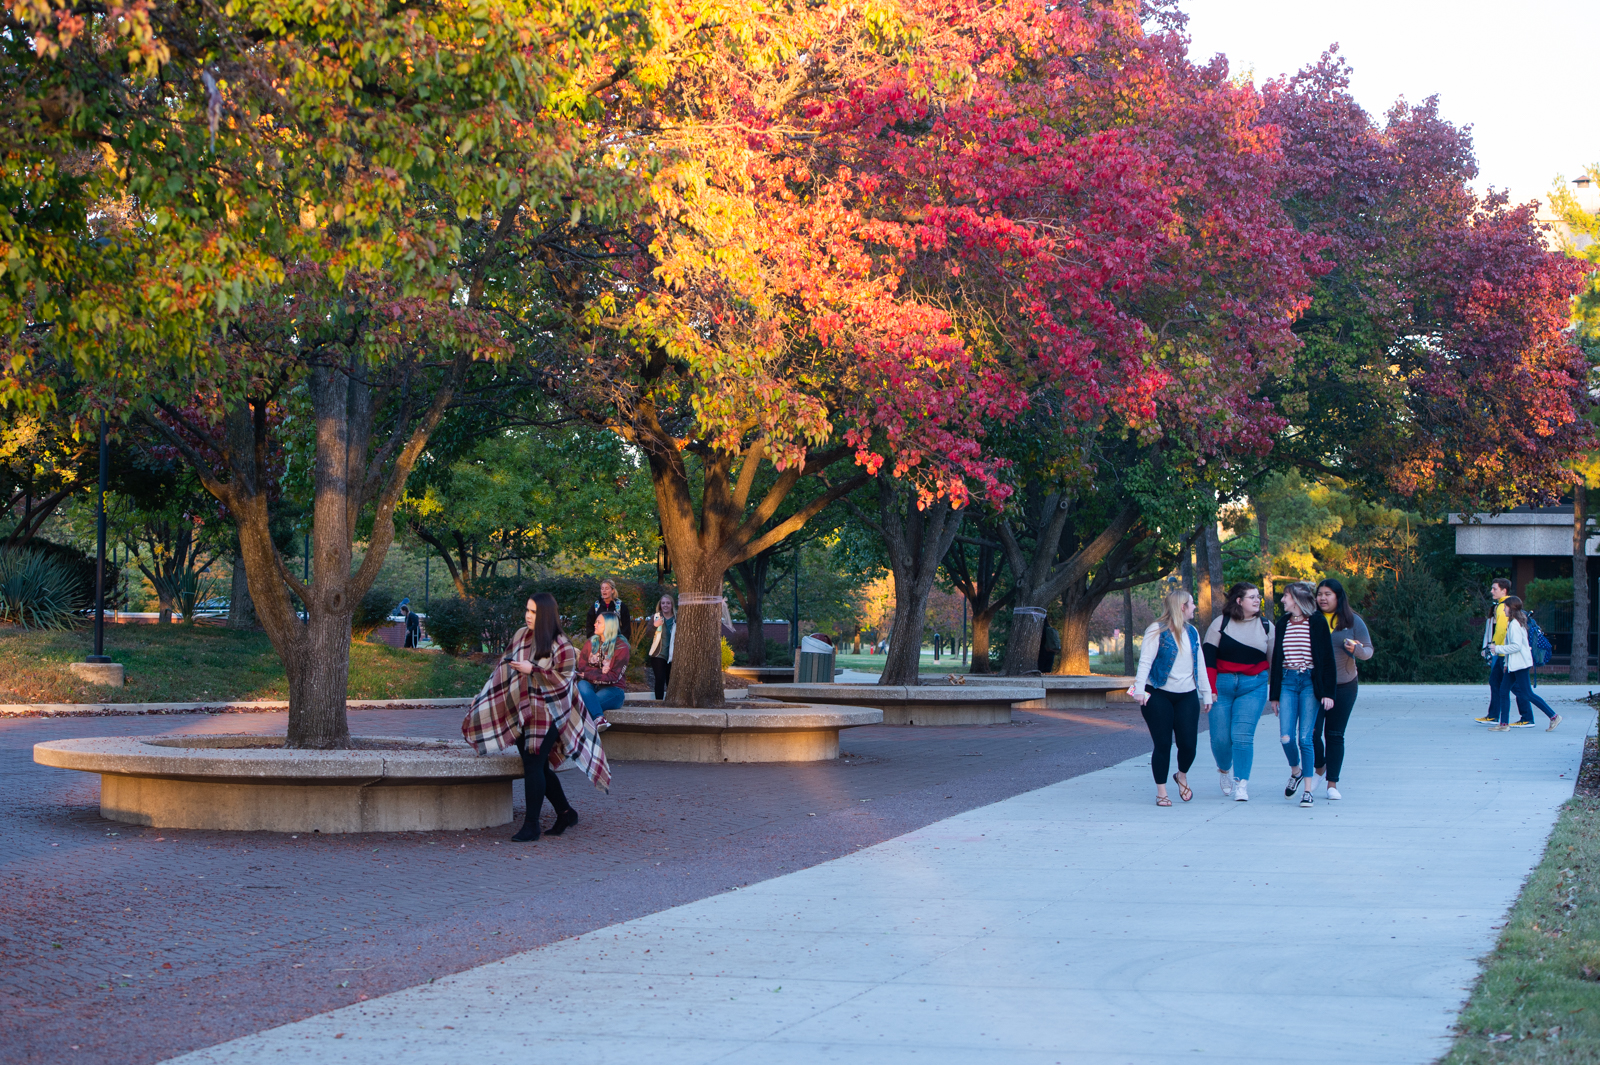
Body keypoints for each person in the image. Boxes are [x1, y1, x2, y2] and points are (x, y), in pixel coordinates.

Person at [461, 592, 609, 842]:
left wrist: (534, 670)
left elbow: (564, 681)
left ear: (546, 615)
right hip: (523, 710)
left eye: (534, 612)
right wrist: (486, 696)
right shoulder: (521, 635)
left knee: (532, 764)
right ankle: (565, 813)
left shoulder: (561, 645)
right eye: (527, 610)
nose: (528, 616)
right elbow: (503, 669)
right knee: (537, 766)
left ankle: (532, 826)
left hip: (550, 713)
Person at [1129, 589, 1214, 807]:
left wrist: (1206, 693)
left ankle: (1181, 775)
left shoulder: (1192, 632)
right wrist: (1139, 688)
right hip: (1158, 692)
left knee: (1189, 745)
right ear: (1182, 607)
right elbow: (1145, 661)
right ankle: (1162, 791)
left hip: (1187, 694)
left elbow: (1200, 664)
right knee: (1163, 743)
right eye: (1192, 603)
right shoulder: (1157, 630)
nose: (1195, 607)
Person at [1202, 582, 1273, 802]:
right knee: (1220, 739)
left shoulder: (1266, 626)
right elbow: (1208, 659)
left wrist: (1276, 692)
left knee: (1242, 737)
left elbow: (1273, 661)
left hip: (1253, 686)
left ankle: (1241, 784)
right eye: (1252, 597)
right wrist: (1210, 689)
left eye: (1258, 596)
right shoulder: (1220, 623)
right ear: (1239, 601)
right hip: (1221, 686)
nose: (1257, 600)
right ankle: (1224, 769)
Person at [1268, 581, 1336, 808]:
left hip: (1309, 682)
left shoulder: (1316, 622)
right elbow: (1277, 660)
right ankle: (1296, 771)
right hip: (1287, 681)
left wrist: (1328, 692)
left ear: (1296, 599)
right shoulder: (1282, 623)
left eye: (1285, 596)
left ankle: (1307, 791)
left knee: (1305, 738)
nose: (1282, 600)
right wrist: (1274, 695)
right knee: (1285, 737)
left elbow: (1327, 659)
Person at [1312, 579, 1373, 800]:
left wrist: (1357, 649)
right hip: (1316, 687)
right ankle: (1320, 766)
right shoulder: (1311, 619)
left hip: (1345, 685)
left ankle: (1332, 783)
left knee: (1335, 734)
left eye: (1327, 594)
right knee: (1311, 733)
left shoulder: (1353, 621)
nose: (1322, 598)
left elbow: (1368, 651)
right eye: (1320, 594)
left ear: (1338, 597)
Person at [1487, 595, 1563, 731]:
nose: (1503, 610)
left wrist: (1497, 649)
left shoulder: (1514, 625)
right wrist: (1506, 663)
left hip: (1519, 665)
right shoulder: (1516, 622)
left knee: (1527, 694)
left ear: (1511, 608)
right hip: (1515, 664)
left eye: (1505, 607)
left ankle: (1553, 716)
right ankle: (1503, 724)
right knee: (1504, 690)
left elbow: (1516, 646)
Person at [577, 611, 630, 727]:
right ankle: (599, 719)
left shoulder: (621, 647)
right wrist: (601, 673)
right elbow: (582, 668)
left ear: (609, 625)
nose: (595, 624)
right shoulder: (591, 643)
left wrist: (589, 674)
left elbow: (613, 676)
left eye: (598, 622)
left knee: (587, 704)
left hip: (614, 690)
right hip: (592, 687)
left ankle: (594, 721)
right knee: (582, 684)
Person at [1476, 578, 1514, 724]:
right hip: (1502, 651)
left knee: (1516, 687)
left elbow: (1501, 630)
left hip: (1501, 652)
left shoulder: (1503, 606)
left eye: (1494, 589)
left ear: (1504, 591)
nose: (1491, 591)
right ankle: (1493, 715)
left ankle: (1528, 717)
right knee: (1496, 682)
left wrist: (1493, 646)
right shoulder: (1505, 605)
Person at [585, 579, 632, 647]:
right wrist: (593, 639)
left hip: (616, 643)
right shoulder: (596, 606)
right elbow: (589, 624)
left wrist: (621, 641)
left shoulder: (620, 606)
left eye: (606, 588)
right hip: (598, 643)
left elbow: (626, 626)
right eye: (602, 588)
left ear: (612, 590)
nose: (604, 590)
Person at [647, 594, 676, 700]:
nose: (665, 605)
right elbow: (648, 634)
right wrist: (655, 626)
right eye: (663, 603)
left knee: (670, 680)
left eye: (668, 603)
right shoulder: (656, 617)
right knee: (659, 679)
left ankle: (670, 702)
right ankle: (658, 702)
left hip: (673, 655)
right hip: (658, 654)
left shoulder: (677, 618)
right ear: (660, 605)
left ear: (672, 605)